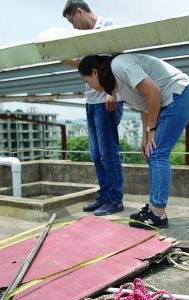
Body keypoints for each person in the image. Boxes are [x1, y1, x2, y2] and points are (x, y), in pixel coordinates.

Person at [78, 54, 189, 228]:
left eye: (87, 81)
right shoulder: (117, 84)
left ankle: (157, 215)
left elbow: (153, 92)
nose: (88, 86)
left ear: (95, 73)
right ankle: (153, 209)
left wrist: (152, 131)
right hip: (169, 100)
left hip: (179, 95)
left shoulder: (119, 65)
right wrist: (145, 137)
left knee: (158, 154)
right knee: (152, 152)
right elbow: (145, 106)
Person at [62, 0, 125, 216]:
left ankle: (115, 200)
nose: (73, 27)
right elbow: (83, 64)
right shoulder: (84, 39)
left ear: (79, 11)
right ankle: (105, 196)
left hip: (105, 100)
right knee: (96, 154)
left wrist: (112, 91)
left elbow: (118, 60)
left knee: (108, 153)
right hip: (90, 102)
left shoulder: (108, 25)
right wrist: (58, 55)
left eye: (72, 21)